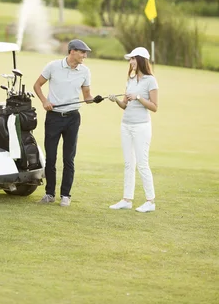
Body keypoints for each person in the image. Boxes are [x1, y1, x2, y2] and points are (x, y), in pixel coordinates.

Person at [33, 39, 102, 207]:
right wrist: (44, 101)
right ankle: (49, 194)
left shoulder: (85, 71)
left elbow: (87, 96)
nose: (85, 55)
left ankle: (65, 195)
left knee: (68, 159)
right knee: (51, 158)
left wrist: (93, 100)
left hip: (72, 118)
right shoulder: (53, 66)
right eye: (82, 52)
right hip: (54, 117)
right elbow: (37, 85)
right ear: (72, 52)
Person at [108, 47, 158, 213]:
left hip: (141, 126)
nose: (130, 62)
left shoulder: (151, 80)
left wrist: (138, 97)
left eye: (133, 59)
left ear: (141, 60)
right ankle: (127, 199)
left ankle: (150, 201)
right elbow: (125, 105)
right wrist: (116, 100)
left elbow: (154, 107)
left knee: (142, 163)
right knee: (129, 163)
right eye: (130, 59)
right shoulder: (130, 80)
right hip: (126, 125)